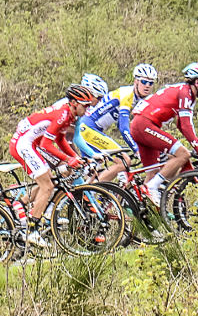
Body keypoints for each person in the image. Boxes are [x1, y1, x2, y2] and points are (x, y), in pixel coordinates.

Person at [10, 82, 94, 246]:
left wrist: (75, 156)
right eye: (86, 105)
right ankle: (32, 229)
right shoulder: (63, 114)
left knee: (49, 179)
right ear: (74, 103)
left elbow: (60, 140)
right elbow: (46, 145)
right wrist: (69, 159)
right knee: (47, 186)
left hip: (30, 143)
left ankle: (20, 204)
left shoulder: (70, 114)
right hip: (23, 144)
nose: (88, 110)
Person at [131, 62, 198, 206]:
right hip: (144, 125)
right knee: (183, 154)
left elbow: (180, 125)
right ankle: (151, 188)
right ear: (197, 83)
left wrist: (197, 144)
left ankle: (141, 211)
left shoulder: (186, 92)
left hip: (142, 125)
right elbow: (185, 125)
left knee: (153, 173)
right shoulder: (186, 93)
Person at [77, 64, 157, 178]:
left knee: (92, 172)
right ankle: (96, 191)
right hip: (88, 129)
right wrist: (136, 150)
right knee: (124, 161)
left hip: (89, 129)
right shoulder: (127, 94)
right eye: (144, 82)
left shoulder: (138, 99)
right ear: (136, 81)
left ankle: (86, 193)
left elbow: (127, 126)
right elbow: (123, 128)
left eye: (151, 83)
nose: (147, 86)